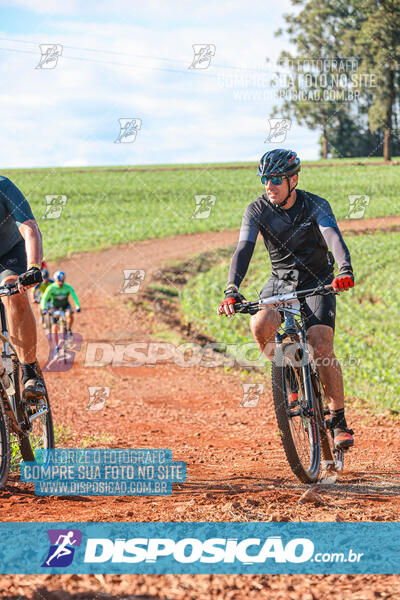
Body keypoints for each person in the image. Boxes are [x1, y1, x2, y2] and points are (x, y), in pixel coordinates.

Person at [217, 149, 355, 450]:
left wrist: (344, 270)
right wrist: (232, 288)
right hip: (280, 282)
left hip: (318, 280)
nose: (270, 185)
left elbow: (333, 236)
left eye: (276, 179)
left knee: (320, 344)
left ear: (293, 179)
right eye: (265, 179)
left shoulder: (315, 204)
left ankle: (338, 420)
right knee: (260, 324)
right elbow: (243, 250)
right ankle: (290, 378)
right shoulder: (256, 210)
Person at [0, 175, 46, 402]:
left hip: (9, 255)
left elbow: (29, 228)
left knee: (12, 289)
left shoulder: (2, 185)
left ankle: (29, 374)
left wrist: (33, 267)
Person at [40, 271, 80, 343]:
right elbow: (44, 299)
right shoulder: (51, 288)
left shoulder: (68, 287)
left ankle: (68, 329)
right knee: (54, 327)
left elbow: (75, 297)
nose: (61, 283)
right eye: (59, 281)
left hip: (65, 306)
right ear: (55, 280)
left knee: (69, 315)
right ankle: (55, 344)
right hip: (54, 307)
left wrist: (77, 306)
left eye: (62, 281)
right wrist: (43, 308)